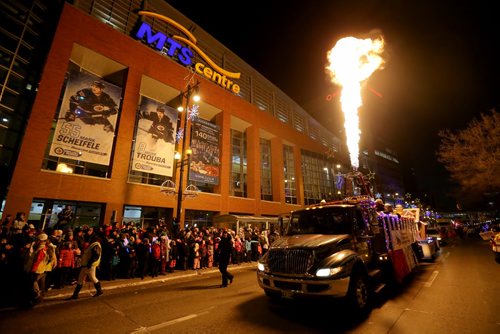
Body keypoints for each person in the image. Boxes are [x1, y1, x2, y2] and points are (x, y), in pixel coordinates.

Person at [69, 233, 103, 299]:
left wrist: (89, 263)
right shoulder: (94, 245)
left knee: (92, 278)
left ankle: (99, 291)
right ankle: (75, 295)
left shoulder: (95, 245)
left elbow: (96, 255)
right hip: (86, 264)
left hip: (89, 265)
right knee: (80, 278)